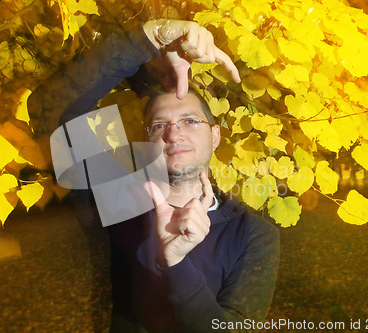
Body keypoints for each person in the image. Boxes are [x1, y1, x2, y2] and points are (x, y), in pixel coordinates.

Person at [30, 19, 280, 332]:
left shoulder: (253, 233)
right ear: (148, 140)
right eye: (159, 126)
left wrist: (174, 264)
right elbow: (50, 108)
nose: (173, 135)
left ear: (215, 136)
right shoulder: (117, 199)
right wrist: (152, 36)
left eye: (190, 122)